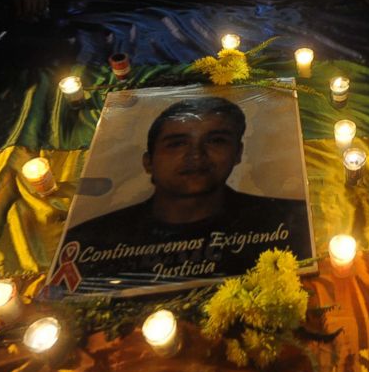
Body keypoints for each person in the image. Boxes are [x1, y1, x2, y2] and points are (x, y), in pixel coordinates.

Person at [63, 97, 313, 287]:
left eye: (215, 140)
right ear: (148, 161)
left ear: (237, 153)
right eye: (177, 143)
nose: (195, 155)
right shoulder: (91, 240)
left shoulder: (288, 222)